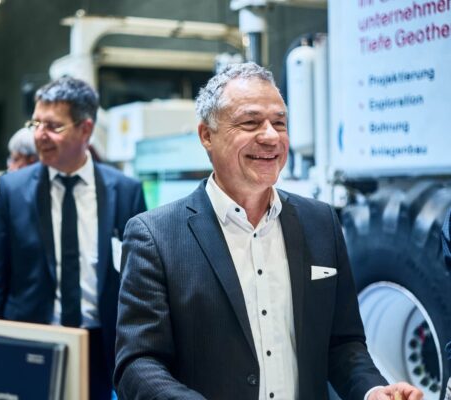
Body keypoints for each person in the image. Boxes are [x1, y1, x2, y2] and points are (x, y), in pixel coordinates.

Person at [114, 63, 423, 400]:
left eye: (279, 123)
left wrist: (372, 390)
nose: (271, 137)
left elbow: (342, 343)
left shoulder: (320, 222)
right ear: (207, 135)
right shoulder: (155, 236)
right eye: (250, 123)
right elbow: (138, 363)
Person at [0, 76, 146, 400]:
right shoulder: (13, 190)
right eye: (36, 123)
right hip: (30, 341)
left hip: (100, 348)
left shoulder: (125, 192)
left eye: (53, 126)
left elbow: (140, 281)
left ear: (85, 129)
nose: (40, 134)